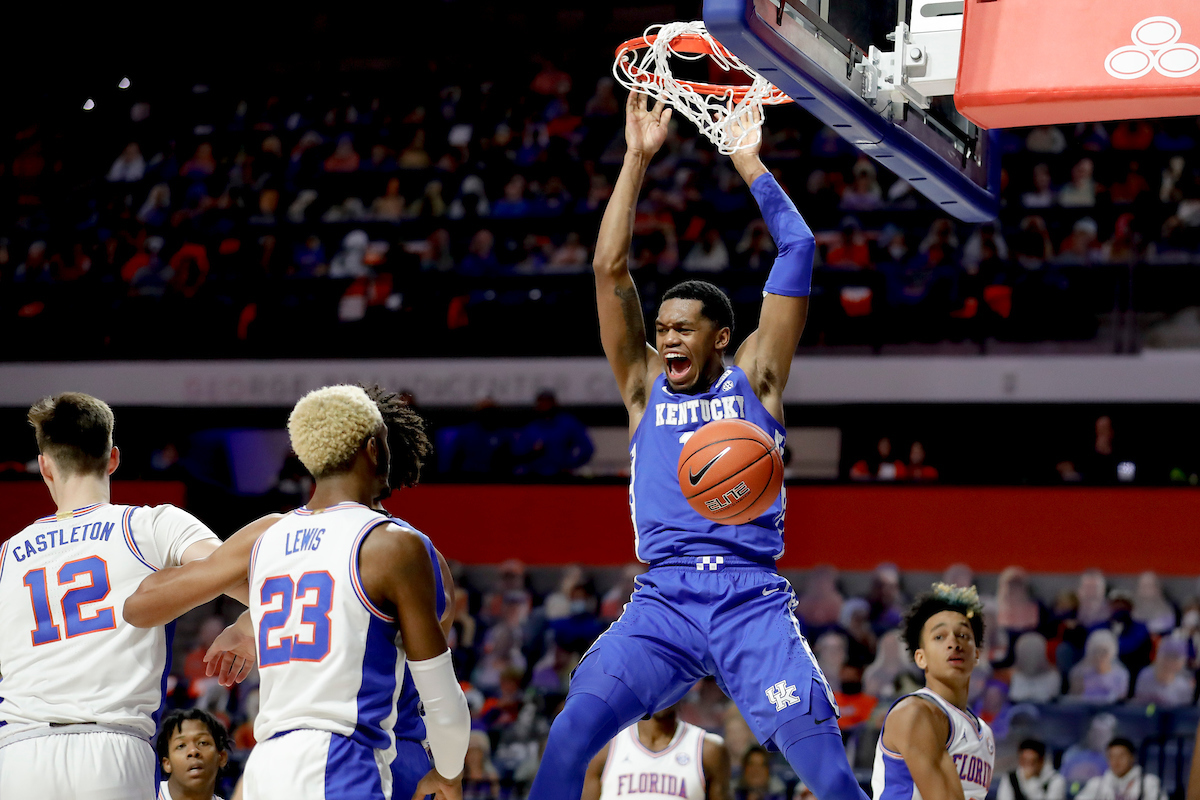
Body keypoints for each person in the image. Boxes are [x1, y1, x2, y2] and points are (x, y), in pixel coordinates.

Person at [528, 94, 864, 800]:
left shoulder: (756, 380)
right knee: (566, 737)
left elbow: (799, 248)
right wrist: (637, 157)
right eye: (664, 327)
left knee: (829, 777)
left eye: (684, 327)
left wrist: (747, 160)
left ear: (719, 338)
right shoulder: (644, 387)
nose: (669, 336)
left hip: (751, 599)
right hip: (663, 599)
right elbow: (608, 270)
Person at [124, 385, 470, 800]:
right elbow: (425, 676)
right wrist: (450, 769)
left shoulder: (268, 532)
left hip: (270, 760)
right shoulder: (403, 549)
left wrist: (256, 612)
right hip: (373, 751)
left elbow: (139, 605)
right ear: (377, 450)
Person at [0, 393, 232, 800]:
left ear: (45, 466)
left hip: (19, 754)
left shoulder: (7, 556)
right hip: (113, 747)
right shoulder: (148, 525)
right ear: (113, 459)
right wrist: (244, 625)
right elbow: (237, 573)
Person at [872, 583, 995, 800]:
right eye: (939, 637)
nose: (954, 643)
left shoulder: (984, 732)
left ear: (976, 654)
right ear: (921, 657)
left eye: (963, 635)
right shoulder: (914, 712)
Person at [582, 701, 731, 800]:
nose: (663, 692)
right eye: (657, 682)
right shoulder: (604, 746)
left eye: (670, 682)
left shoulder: (709, 749)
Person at [157, 709, 230, 800]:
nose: (193, 751)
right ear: (167, 763)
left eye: (203, 743)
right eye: (181, 746)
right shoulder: (145, 795)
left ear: (222, 757)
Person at [1076, 739, 1165, 800]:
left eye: (1121, 756)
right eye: (1112, 757)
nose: (1116, 761)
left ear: (1132, 757)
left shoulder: (1149, 782)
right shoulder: (1097, 784)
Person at [997, 740, 1066, 800]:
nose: (1028, 766)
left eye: (1032, 762)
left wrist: (1031, 781)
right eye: (1024, 761)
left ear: (1041, 761)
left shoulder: (1056, 780)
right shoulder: (1010, 778)